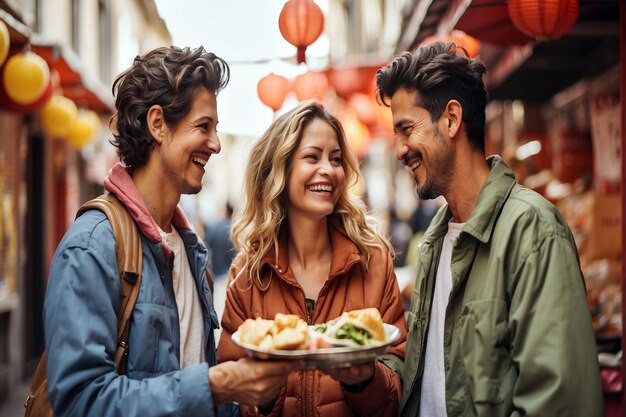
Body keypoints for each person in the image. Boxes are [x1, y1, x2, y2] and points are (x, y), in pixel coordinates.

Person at [43, 46, 299, 417]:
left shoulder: (189, 248)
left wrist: (251, 391)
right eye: (203, 126)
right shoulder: (92, 245)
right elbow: (80, 401)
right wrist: (216, 385)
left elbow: (194, 380)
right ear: (158, 123)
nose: (215, 144)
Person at [375, 41, 604, 417]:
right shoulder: (434, 241)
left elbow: (560, 403)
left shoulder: (531, 230)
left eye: (406, 129)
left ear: (451, 119)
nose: (400, 150)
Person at [217, 100, 407, 417]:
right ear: (281, 168)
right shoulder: (248, 273)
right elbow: (231, 396)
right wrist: (263, 395)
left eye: (336, 159)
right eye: (312, 157)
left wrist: (365, 380)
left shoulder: (373, 260)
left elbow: (397, 392)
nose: (329, 170)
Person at [205, 202, 236, 278]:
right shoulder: (233, 228)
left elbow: (206, 247)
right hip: (231, 274)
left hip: (216, 273)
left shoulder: (213, 228)